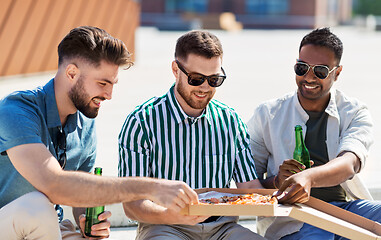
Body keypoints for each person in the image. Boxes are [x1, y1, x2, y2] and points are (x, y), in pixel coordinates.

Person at [0, 26, 199, 240]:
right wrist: (151, 187)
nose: (109, 95)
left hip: (51, 228)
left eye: (112, 84)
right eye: (102, 83)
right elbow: (53, 185)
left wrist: (90, 221)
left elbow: (79, 197)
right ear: (71, 73)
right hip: (10, 224)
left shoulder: (85, 121)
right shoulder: (16, 110)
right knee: (36, 205)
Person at [118, 30, 265, 239]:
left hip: (223, 229)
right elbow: (132, 205)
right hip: (165, 227)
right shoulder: (141, 123)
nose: (205, 87)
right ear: (175, 69)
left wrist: (283, 187)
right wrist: (171, 215)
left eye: (214, 79)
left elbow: (250, 188)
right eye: (196, 79)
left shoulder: (231, 121)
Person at [247, 27, 381, 240]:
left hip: (345, 210)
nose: (308, 77)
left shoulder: (355, 112)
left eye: (319, 71)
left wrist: (307, 177)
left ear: (337, 73)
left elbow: (349, 164)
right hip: (294, 218)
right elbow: (247, 182)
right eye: (301, 68)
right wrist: (277, 181)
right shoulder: (267, 114)